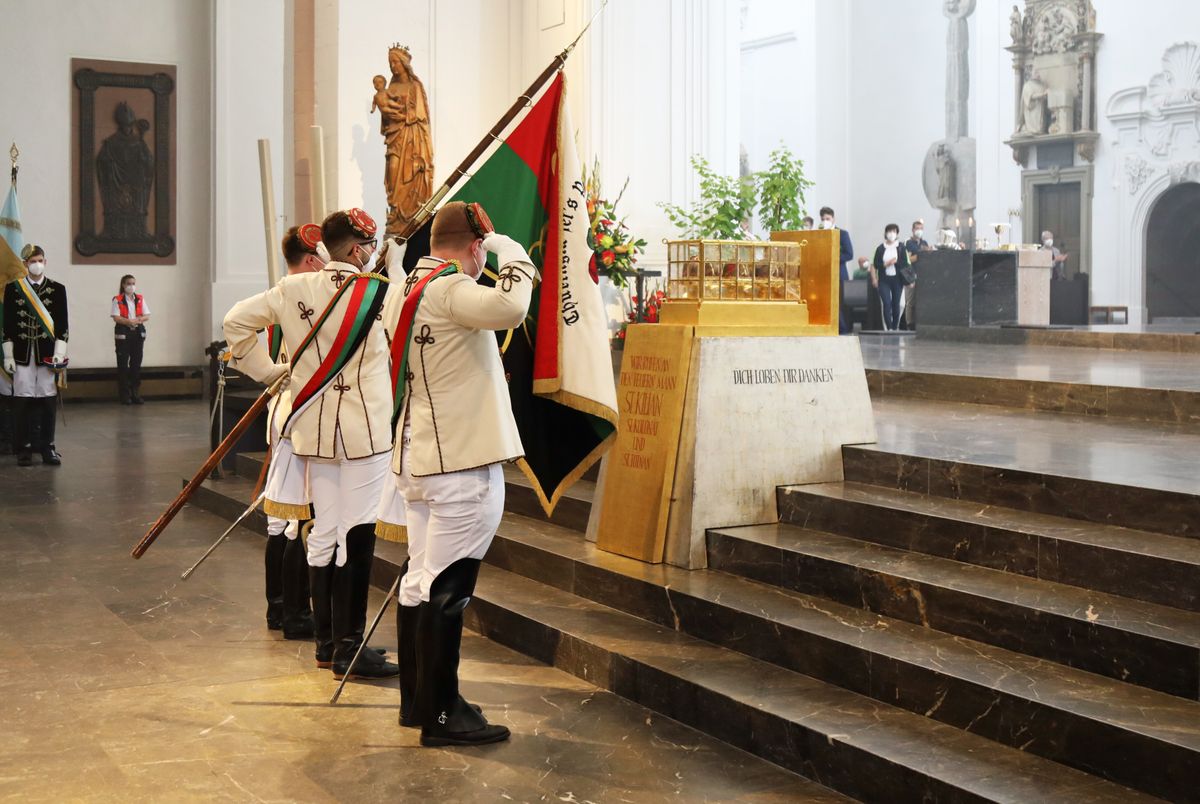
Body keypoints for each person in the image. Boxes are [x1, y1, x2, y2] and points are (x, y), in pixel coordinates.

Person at [223, 208, 399, 680]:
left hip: (313, 433)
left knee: (323, 533)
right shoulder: (379, 294)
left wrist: (267, 372)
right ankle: (349, 646)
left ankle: (326, 645)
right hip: (364, 437)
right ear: (359, 249)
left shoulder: (294, 289)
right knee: (356, 536)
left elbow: (235, 323)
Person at [388, 201, 534, 747]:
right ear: (473, 248)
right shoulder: (449, 289)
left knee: (420, 582)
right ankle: (443, 715)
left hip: (419, 458)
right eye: (481, 251)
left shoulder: (406, 287)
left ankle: (417, 701)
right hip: (460, 465)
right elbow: (511, 306)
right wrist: (510, 249)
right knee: (448, 590)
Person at [261, 224, 326, 641]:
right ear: (311, 259)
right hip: (302, 415)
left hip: (281, 410)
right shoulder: (309, 294)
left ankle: (279, 608)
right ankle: (296, 613)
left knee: (280, 520)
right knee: (296, 520)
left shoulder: (278, 292)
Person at [2, 244, 68, 466]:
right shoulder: (13, 289)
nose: (36, 264)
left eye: (39, 259)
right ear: (24, 264)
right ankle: (23, 448)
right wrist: (8, 356)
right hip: (21, 355)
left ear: (45, 262)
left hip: (47, 356)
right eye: (32, 261)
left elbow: (63, 326)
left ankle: (47, 446)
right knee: (22, 401)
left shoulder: (57, 289)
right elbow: (7, 325)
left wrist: (59, 354)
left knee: (48, 401)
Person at [111, 274, 150, 404]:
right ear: (123, 285)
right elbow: (116, 317)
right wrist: (128, 322)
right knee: (123, 365)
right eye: (129, 283)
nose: (131, 286)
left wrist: (137, 320)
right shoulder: (118, 299)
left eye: (133, 283)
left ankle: (135, 394)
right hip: (123, 335)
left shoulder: (139, 298)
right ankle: (124, 396)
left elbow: (147, 315)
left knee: (136, 365)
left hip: (137, 334)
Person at [819, 207, 854, 334]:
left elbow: (849, 254)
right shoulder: (820, 234)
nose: (825, 221)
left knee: (839, 303)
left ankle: (843, 329)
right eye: (823, 219)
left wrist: (834, 258)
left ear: (833, 219)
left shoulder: (842, 234)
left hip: (839, 273)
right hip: (823, 274)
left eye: (827, 219)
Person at [873, 224, 909, 331]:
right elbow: (875, 264)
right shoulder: (880, 248)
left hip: (897, 280)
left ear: (897, 233)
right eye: (889, 231)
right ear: (885, 233)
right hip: (884, 280)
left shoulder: (901, 247)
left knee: (896, 304)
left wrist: (896, 262)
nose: (891, 234)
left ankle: (895, 326)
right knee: (886, 303)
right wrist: (886, 264)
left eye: (894, 231)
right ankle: (888, 327)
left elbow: (905, 264)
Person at [903, 220, 931, 330]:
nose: (919, 231)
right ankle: (909, 323)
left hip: (922, 274)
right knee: (910, 301)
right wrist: (921, 254)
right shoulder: (908, 243)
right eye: (917, 228)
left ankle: (920, 322)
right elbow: (907, 259)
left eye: (921, 228)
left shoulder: (924, 243)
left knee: (921, 300)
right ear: (913, 230)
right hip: (910, 275)